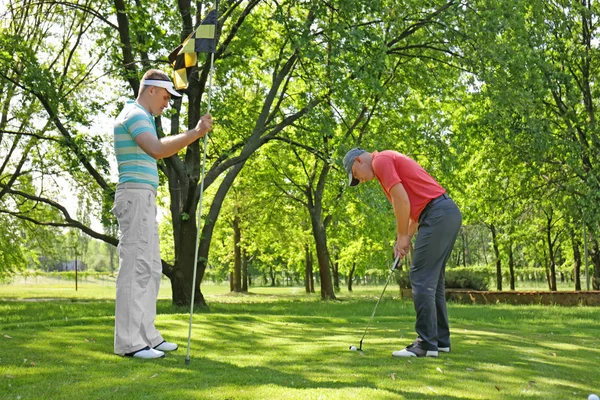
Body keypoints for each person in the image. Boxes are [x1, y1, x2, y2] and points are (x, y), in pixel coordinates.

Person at [112, 69, 213, 359]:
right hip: (134, 197)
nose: (167, 104)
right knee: (135, 269)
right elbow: (156, 149)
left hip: (143, 198)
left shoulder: (142, 117)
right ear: (152, 90)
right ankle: (130, 344)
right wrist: (194, 133)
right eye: (166, 97)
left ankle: (148, 336)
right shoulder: (134, 115)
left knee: (152, 269)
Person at [343, 147, 462, 358]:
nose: (359, 180)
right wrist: (404, 238)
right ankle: (440, 341)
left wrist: (402, 236)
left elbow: (401, 201)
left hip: (437, 214)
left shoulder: (381, 161)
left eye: (355, 175)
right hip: (445, 213)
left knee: (421, 277)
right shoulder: (387, 162)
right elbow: (413, 210)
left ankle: (425, 344)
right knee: (433, 281)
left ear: (359, 160)